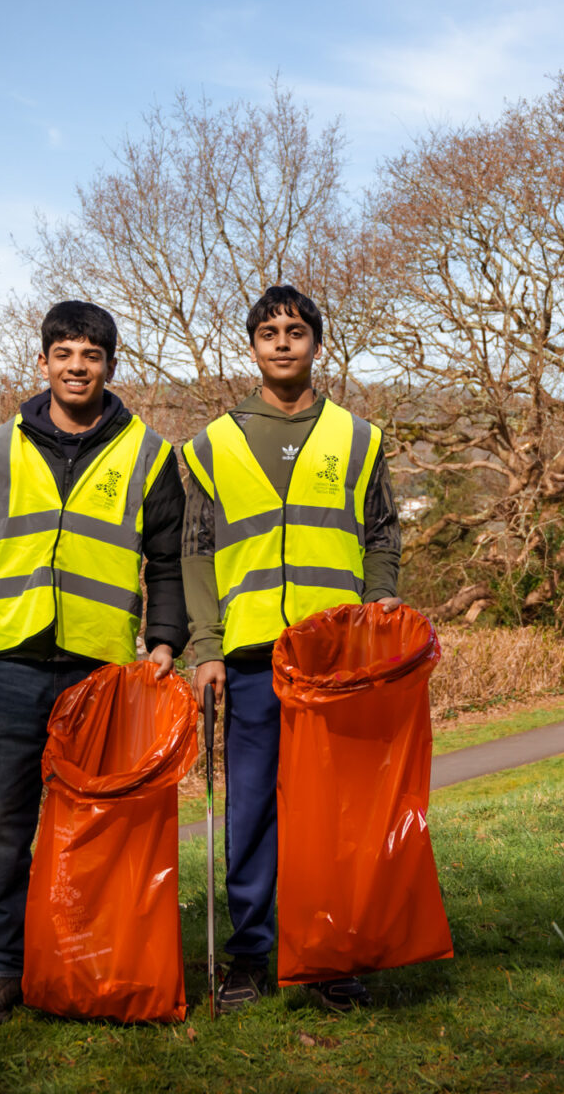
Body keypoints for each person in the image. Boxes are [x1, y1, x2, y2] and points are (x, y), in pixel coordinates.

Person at [0, 300, 186, 1030]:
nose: (78, 367)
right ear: (42, 362)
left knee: (95, 826)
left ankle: (84, 959)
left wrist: (164, 639)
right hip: (12, 661)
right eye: (65, 353)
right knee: (4, 825)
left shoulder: (149, 452)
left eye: (93, 355)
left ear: (111, 365)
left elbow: (166, 561)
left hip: (101, 666)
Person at [171, 284, 402, 1015]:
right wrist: (203, 646)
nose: (282, 341)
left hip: (336, 657)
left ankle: (328, 954)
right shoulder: (212, 444)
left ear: (316, 344)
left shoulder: (360, 438)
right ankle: (250, 954)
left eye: (295, 330)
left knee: (331, 811)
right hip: (247, 659)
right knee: (252, 811)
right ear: (251, 346)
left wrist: (380, 601)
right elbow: (196, 553)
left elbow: (383, 532)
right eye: (268, 331)